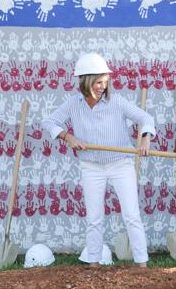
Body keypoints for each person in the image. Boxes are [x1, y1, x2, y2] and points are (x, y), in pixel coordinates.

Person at [42, 52, 154, 267]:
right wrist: (68, 137)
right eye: (98, 82)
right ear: (86, 81)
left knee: (131, 215)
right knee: (94, 218)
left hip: (120, 164)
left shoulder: (116, 102)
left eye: (105, 81)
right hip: (91, 167)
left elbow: (145, 118)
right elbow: (49, 122)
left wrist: (145, 138)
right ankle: (93, 264)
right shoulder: (73, 104)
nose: (103, 86)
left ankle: (142, 264)